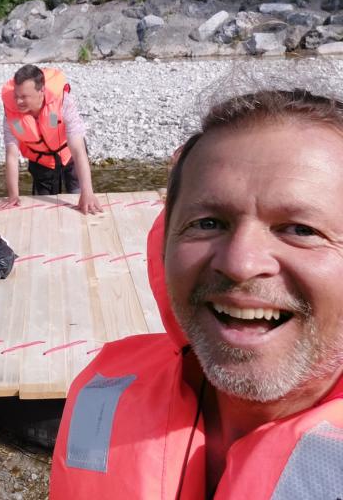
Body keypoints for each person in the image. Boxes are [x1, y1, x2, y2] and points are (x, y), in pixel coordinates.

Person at [50, 89, 343, 498]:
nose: (240, 263)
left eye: (300, 230)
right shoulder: (100, 397)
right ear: (164, 245)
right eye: (208, 223)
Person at [0, 64, 102, 214]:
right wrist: (13, 195)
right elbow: (11, 154)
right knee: (42, 210)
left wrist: (88, 192)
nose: (18, 102)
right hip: (41, 161)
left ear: (41, 92)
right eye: (16, 96)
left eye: (24, 97)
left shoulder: (63, 102)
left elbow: (78, 150)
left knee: (80, 198)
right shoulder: (11, 111)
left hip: (69, 155)